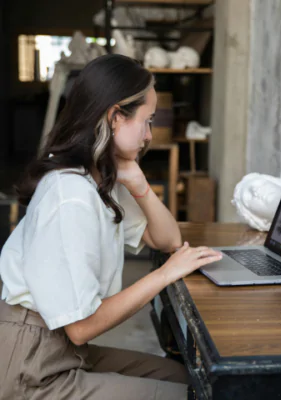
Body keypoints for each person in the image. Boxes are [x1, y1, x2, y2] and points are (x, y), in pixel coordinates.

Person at [0, 54, 222, 400]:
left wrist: (138, 182)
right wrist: (163, 275)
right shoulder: (72, 197)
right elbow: (81, 327)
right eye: (147, 121)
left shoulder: (98, 177)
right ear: (116, 117)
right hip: (32, 363)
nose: (149, 135)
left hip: (62, 347)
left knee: (187, 377)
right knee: (190, 395)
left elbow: (168, 240)